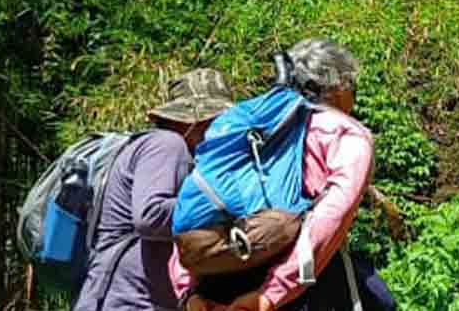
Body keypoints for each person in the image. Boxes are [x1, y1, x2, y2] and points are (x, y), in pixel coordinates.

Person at [174, 39, 395, 311]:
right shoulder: (345, 133)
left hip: (215, 290)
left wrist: (188, 292)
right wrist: (271, 293)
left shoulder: (247, 123)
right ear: (339, 87)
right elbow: (330, 218)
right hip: (300, 289)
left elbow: (196, 206)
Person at [73, 69, 235, 311]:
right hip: (127, 301)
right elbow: (150, 215)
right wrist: (221, 206)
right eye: (216, 120)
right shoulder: (168, 145)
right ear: (197, 119)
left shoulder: (158, 147)